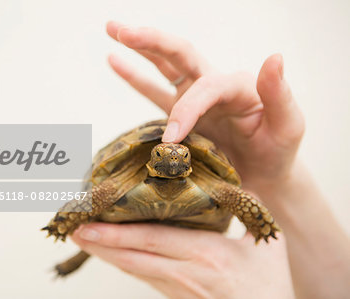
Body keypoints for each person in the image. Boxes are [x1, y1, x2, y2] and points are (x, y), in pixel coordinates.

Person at [70, 21, 350, 298]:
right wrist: (273, 183)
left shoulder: (214, 185)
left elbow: (235, 196)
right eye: (161, 154)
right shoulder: (121, 181)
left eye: (181, 155)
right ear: (149, 159)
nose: (172, 157)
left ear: (190, 162)